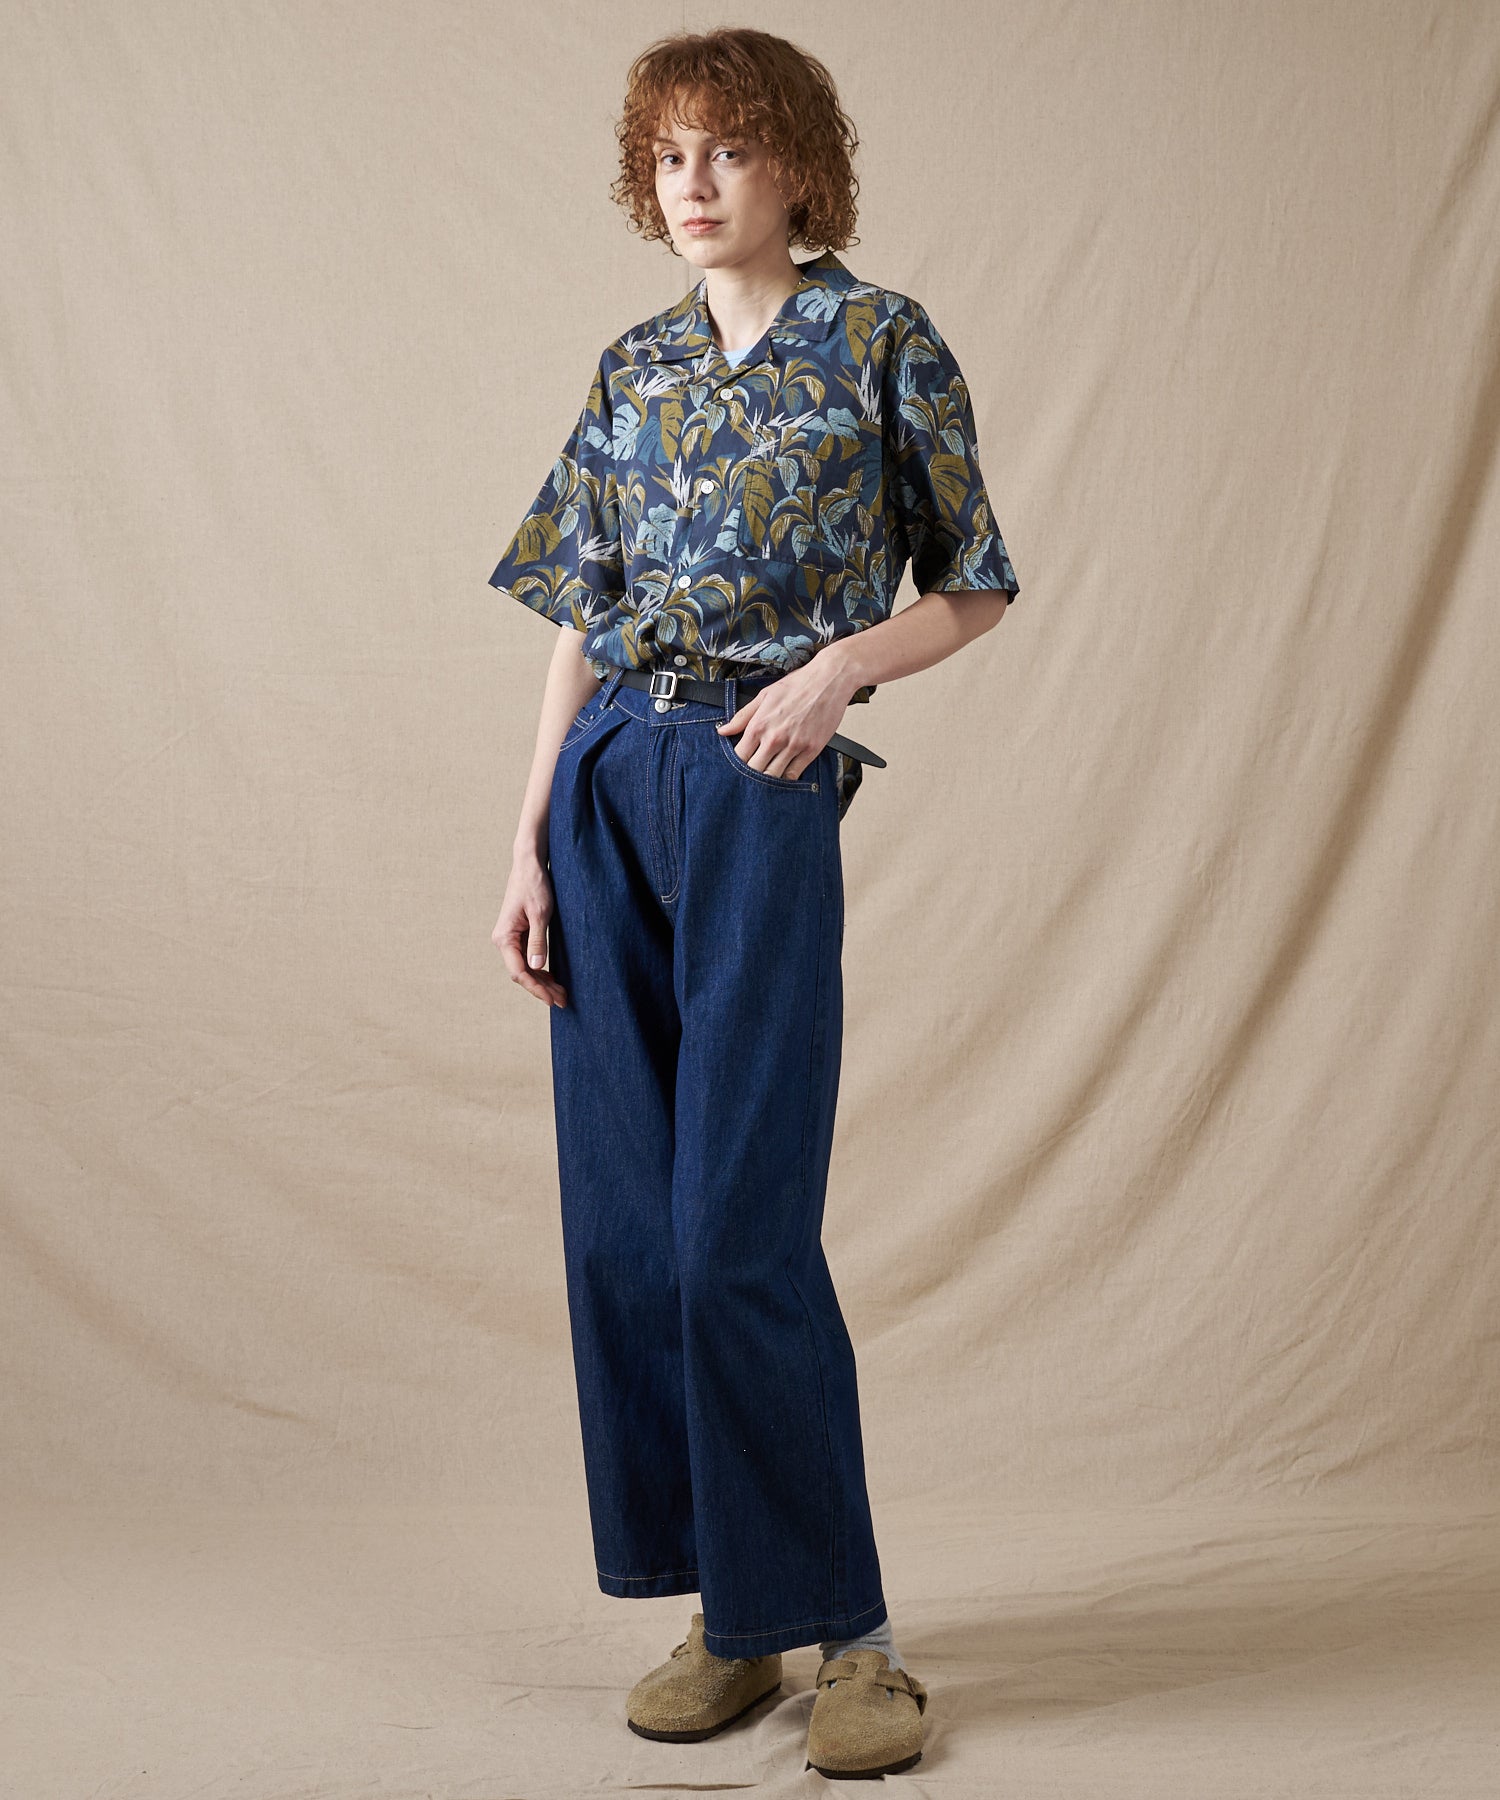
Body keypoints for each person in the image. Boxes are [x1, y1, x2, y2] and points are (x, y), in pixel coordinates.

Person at [488, 26, 1019, 1781]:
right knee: (626, 1231)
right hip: (608, 788)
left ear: (799, 166)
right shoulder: (633, 366)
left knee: (737, 1229)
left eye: (726, 149)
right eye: (668, 157)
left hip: (759, 785)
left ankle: (855, 1639)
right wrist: (525, 840)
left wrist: (839, 673)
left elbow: (976, 585)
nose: (694, 184)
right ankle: (733, 1617)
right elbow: (583, 614)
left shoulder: (880, 343)